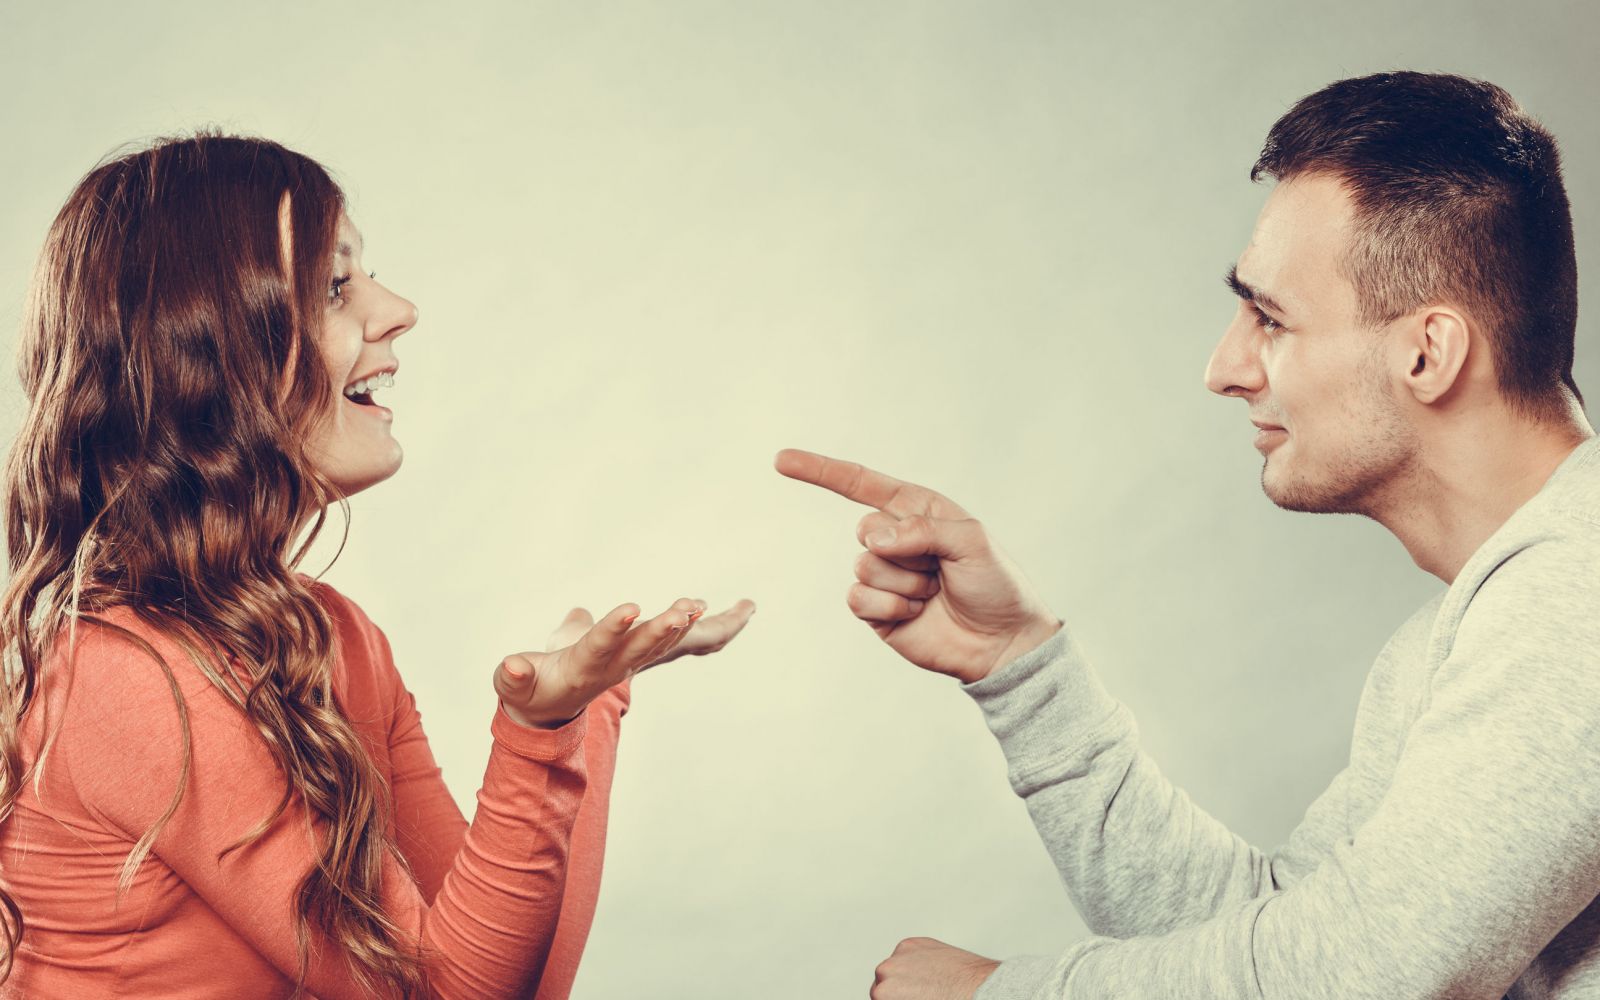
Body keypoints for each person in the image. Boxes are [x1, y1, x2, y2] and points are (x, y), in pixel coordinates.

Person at [778, 71, 1599, 999]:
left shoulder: (1577, 597)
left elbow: (1361, 972)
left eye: (1270, 318)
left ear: (1426, 353)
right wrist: (1018, 667)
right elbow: (1277, 932)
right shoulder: (1477, 626)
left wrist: (996, 993)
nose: (1224, 367)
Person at [0, 132, 755, 999]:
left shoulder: (336, 636)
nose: (399, 309)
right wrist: (540, 732)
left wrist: (580, 708)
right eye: (335, 286)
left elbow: (512, 979)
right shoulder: (128, 673)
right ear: (202, 352)